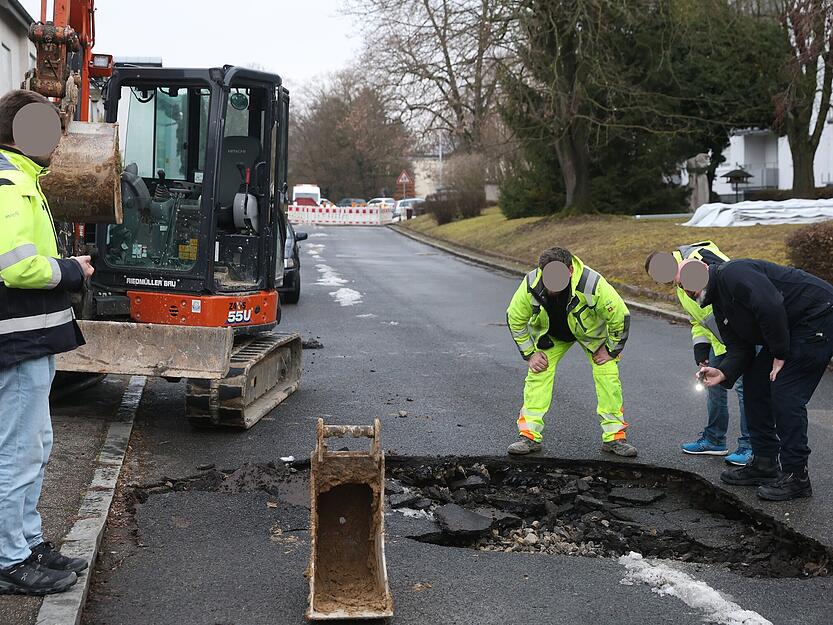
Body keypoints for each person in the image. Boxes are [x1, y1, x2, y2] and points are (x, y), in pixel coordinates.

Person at [0, 90, 94, 595]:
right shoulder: (11, 181)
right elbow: (16, 267)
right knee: (18, 452)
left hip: (26, 340)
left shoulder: (19, 178)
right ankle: (10, 560)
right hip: (17, 342)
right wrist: (71, 270)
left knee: (32, 446)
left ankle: (28, 543)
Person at [693, 257, 833, 501]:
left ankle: (796, 476)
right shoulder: (720, 305)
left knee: (785, 393)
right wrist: (723, 372)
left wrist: (779, 354)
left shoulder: (733, 273)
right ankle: (765, 463)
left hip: (817, 314)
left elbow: (770, 305)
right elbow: (740, 348)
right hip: (787, 327)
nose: (687, 288)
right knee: (755, 385)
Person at [506, 246, 637, 457]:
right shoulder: (531, 284)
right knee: (538, 374)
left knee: (608, 376)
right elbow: (515, 318)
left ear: (570, 271)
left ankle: (614, 438)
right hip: (552, 336)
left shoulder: (592, 284)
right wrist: (530, 354)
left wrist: (610, 350)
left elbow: (620, 317)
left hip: (591, 336)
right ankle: (529, 437)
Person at [645, 242, 751, 466]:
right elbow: (698, 320)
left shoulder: (699, 258)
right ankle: (714, 440)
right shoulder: (680, 285)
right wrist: (700, 347)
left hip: (743, 338)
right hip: (719, 342)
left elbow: (731, 285)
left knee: (746, 392)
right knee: (713, 388)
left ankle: (751, 446)